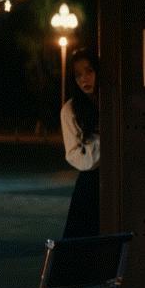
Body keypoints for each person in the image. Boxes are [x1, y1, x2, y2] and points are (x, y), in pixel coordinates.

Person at [60, 48, 100, 238]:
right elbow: (73, 154)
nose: (84, 79)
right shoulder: (70, 109)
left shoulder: (112, 102)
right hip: (90, 181)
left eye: (89, 71)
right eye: (78, 75)